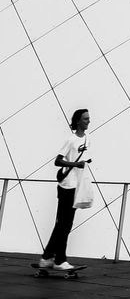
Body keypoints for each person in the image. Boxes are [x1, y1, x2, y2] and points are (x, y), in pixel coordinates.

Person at [39, 108, 92, 272]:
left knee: (64, 224)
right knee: (64, 224)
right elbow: (58, 161)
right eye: (85, 119)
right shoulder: (71, 140)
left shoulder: (88, 138)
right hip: (66, 186)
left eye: (88, 118)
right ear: (77, 121)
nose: (88, 121)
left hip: (76, 185)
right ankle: (58, 259)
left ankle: (49, 257)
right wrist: (76, 164)